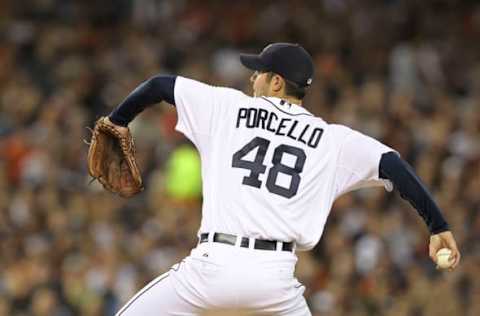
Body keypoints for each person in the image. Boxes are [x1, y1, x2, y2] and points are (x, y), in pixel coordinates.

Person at [105, 43, 460, 315]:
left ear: (276, 82)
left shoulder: (229, 107)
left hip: (212, 269)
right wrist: (437, 225)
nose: (251, 78)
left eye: (258, 72)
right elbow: (394, 165)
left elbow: (159, 85)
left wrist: (117, 120)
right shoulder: (332, 139)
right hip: (274, 283)